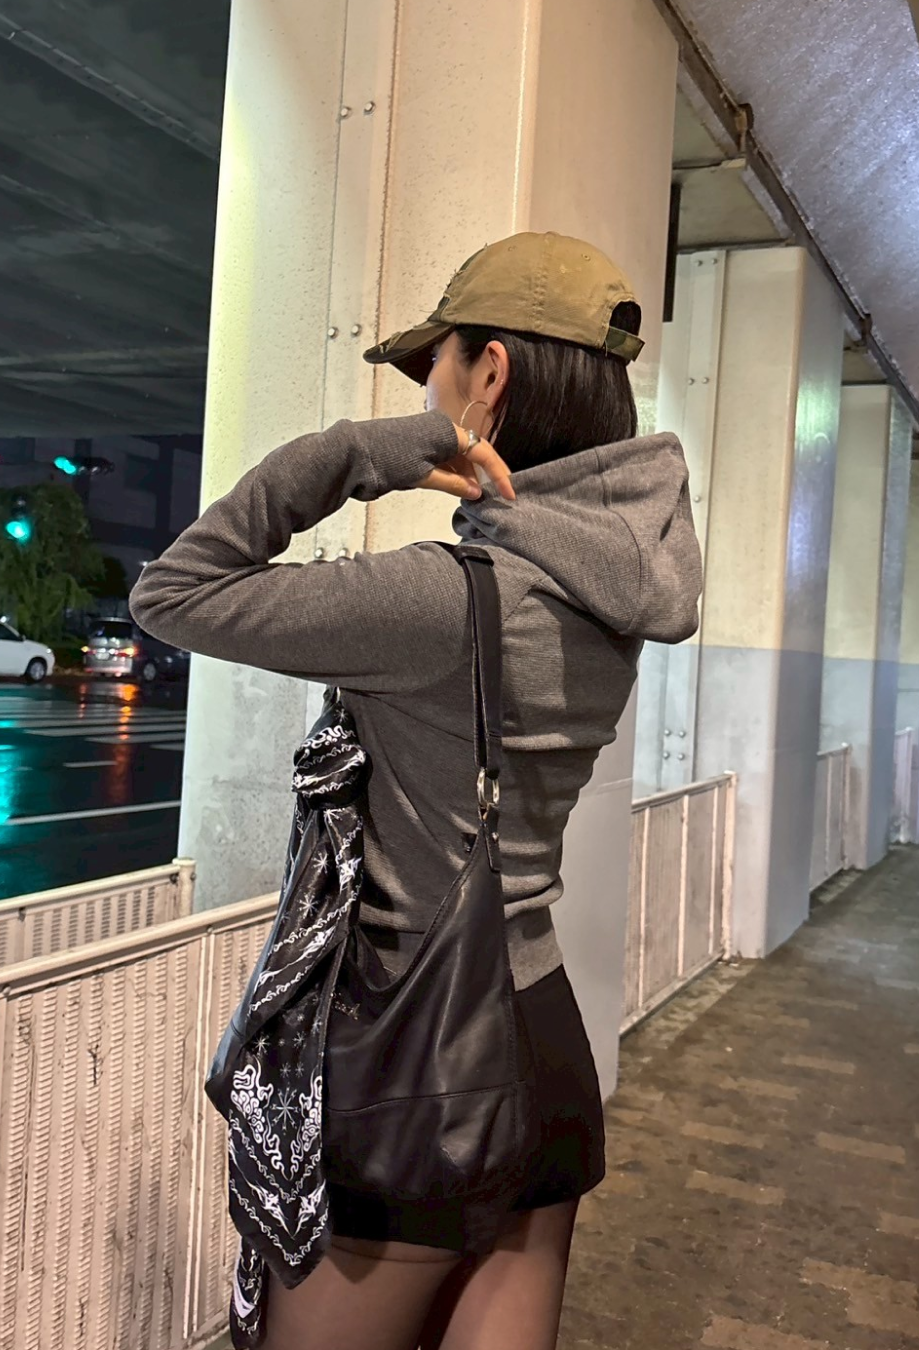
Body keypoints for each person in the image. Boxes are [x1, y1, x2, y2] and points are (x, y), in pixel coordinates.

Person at [129, 231, 703, 1350]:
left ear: (490, 372)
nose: (426, 391)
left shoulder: (442, 601)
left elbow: (174, 592)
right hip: (541, 1042)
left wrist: (365, 452)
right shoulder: (610, 598)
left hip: (416, 1058)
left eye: (433, 365)